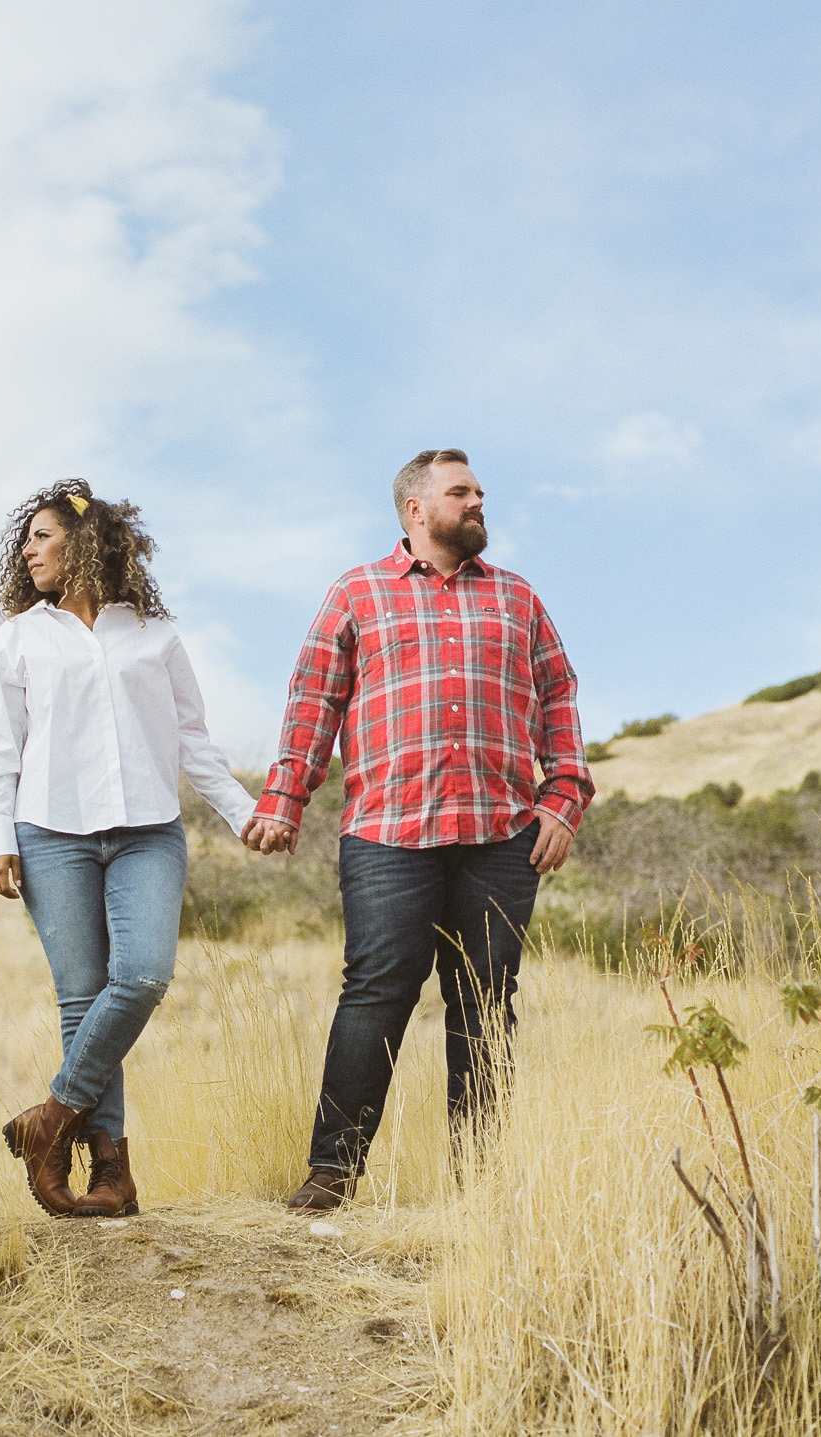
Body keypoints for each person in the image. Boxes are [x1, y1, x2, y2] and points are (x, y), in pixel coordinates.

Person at [244, 448, 592, 1211]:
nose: (477, 501)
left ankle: (481, 1187)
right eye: (460, 492)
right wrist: (283, 798)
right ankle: (332, 1172)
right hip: (387, 833)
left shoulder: (518, 598)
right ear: (415, 509)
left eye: (478, 491)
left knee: (485, 1001)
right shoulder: (357, 593)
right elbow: (314, 701)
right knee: (375, 993)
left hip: (502, 835)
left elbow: (558, 699)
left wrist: (563, 798)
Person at [0, 480, 256, 1218]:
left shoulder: (154, 634)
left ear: (85, 540)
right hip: (50, 832)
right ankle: (110, 1171)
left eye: (42, 535)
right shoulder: (20, 636)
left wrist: (244, 812)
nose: (28, 549)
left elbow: (193, 740)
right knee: (83, 999)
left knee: (140, 977)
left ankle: (49, 1119)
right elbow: (1, 748)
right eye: (25, 539)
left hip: (147, 832)